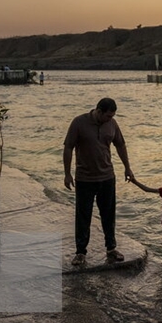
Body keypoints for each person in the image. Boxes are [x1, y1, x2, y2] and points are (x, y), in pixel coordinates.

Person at [63, 98, 135, 266]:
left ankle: (111, 248)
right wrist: (67, 174)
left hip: (107, 177)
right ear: (99, 111)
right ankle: (80, 252)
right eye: (108, 116)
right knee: (83, 216)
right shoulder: (79, 122)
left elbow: (121, 145)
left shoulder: (112, 124)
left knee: (108, 215)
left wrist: (127, 168)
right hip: (84, 178)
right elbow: (68, 147)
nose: (110, 119)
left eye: (112, 116)